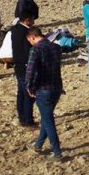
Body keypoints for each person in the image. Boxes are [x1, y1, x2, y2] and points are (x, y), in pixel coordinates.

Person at [25, 27, 64, 160]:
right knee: (46, 118)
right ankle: (38, 145)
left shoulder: (35, 49)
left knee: (48, 120)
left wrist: (28, 86)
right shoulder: (56, 47)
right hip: (57, 87)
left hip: (43, 89)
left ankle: (57, 152)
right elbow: (57, 68)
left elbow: (30, 70)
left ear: (32, 37)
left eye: (30, 41)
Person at [9, 15, 36, 126]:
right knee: (28, 94)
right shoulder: (25, 32)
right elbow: (27, 51)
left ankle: (22, 118)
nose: (33, 22)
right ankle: (28, 120)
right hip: (25, 66)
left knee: (21, 93)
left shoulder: (14, 30)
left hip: (17, 65)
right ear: (27, 19)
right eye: (32, 19)